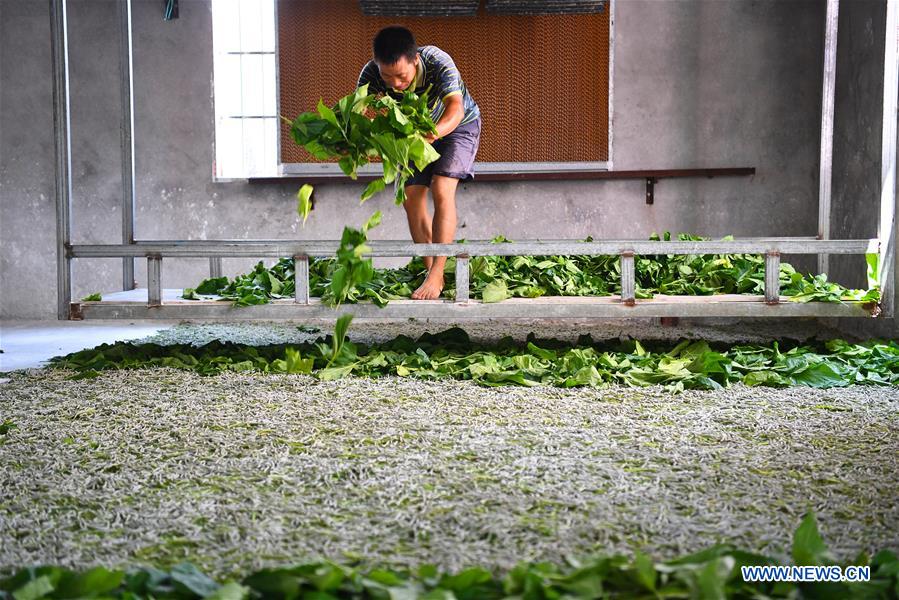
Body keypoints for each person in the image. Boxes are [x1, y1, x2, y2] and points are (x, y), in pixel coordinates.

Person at [357, 26, 481, 300]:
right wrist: (364, 143)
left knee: (441, 187)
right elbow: (363, 119)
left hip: (457, 126)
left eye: (401, 76)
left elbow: (455, 108)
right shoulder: (370, 76)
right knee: (410, 197)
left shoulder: (437, 61)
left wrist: (431, 135)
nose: (395, 84)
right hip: (412, 133)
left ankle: (437, 273)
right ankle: (430, 273)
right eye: (387, 77)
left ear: (415, 60)